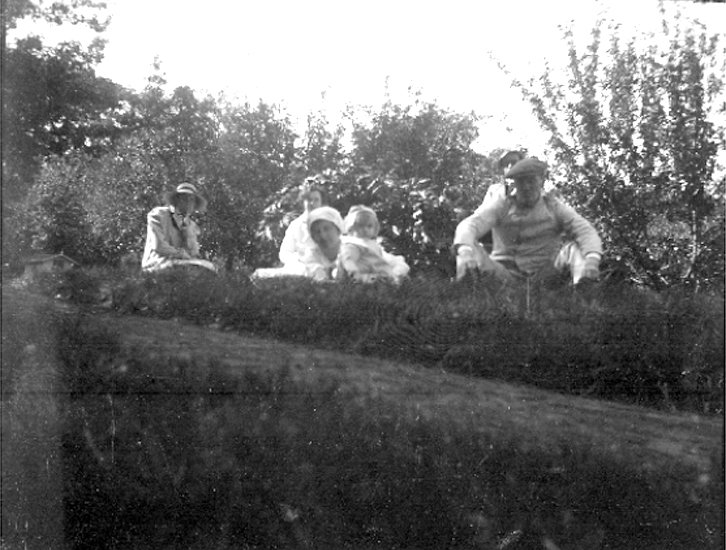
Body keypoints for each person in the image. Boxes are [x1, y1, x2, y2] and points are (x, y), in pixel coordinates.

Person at [453, 157, 602, 285]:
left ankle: (584, 289)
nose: (526, 187)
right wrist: (465, 251)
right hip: (504, 273)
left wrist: (592, 259)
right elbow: (471, 224)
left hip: (545, 273)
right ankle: (465, 290)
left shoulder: (554, 207)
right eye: (521, 181)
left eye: (531, 180)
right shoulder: (502, 205)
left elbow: (584, 230)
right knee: (467, 245)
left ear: (541, 181)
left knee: (574, 248)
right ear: (514, 184)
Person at [142, 183, 216, 272]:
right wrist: (181, 253)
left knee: (209, 267)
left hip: (182, 264)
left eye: (191, 200)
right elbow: (159, 246)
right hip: (157, 263)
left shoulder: (191, 225)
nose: (188, 203)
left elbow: (193, 253)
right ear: (176, 200)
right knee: (195, 267)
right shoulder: (159, 215)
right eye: (184, 198)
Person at [336, 205, 410, 283]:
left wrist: (398, 269)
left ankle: (394, 279)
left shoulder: (373, 245)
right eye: (360, 226)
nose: (365, 229)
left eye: (369, 226)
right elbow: (348, 262)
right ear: (350, 228)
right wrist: (358, 275)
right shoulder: (351, 245)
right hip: (365, 278)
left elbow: (387, 259)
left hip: (381, 277)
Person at [278, 184, 326, 268]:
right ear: (303, 202)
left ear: (321, 202)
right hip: (301, 269)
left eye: (316, 200)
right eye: (309, 200)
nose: (312, 203)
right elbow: (284, 253)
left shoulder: (329, 223)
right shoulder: (295, 225)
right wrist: (299, 260)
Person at [301, 206, 346, 281]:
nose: (323, 235)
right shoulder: (312, 254)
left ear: (338, 229)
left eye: (327, 229)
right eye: (317, 232)